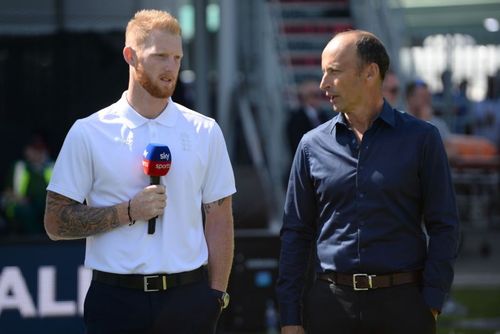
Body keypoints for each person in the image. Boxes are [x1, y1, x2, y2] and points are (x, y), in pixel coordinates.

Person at [44, 9, 236, 334]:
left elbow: (219, 216)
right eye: (160, 56)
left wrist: (216, 295)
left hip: (188, 297)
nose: (171, 67)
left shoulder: (206, 131)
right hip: (115, 299)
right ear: (130, 56)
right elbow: (54, 223)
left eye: (177, 57)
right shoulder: (88, 132)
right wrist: (127, 212)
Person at [276, 30, 460, 334]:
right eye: (323, 73)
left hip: (404, 307)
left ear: (370, 73)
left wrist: (432, 300)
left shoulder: (422, 139)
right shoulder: (311, 146)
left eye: (333, 72)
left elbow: (445, 224)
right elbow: (296, 233)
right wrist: (290, 316)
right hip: (330, 307)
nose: (324, 84)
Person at [2, 133, 53, 235]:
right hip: (23, 204)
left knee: (48, 211)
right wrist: (18, 199)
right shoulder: (18, 167)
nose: (36, 153)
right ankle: (34, 242)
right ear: (27, 150)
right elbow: (6, 193)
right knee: (27, 212)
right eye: (33, 149)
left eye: (39, 150)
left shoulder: (53, 166)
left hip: (46, 204)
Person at [286, 80, 331, 156]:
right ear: (306, 97)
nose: (319, 99)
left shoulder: (323, 115)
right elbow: (297, 143)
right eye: (316, 95)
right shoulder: (296, 119)